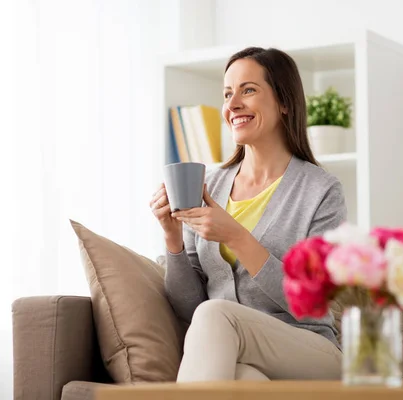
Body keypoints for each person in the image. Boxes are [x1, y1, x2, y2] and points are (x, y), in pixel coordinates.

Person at [149, 47, 347, 382]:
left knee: (216, 314)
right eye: (227, 93)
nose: (232, 104)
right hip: (236, 350)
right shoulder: (209, 183)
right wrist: (173, 241)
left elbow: (312, 302)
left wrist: (236, 236)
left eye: (248, 90)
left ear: (284, 102)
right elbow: (189, 308)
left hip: (310, 350)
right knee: (243, 380)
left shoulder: (321, 190)